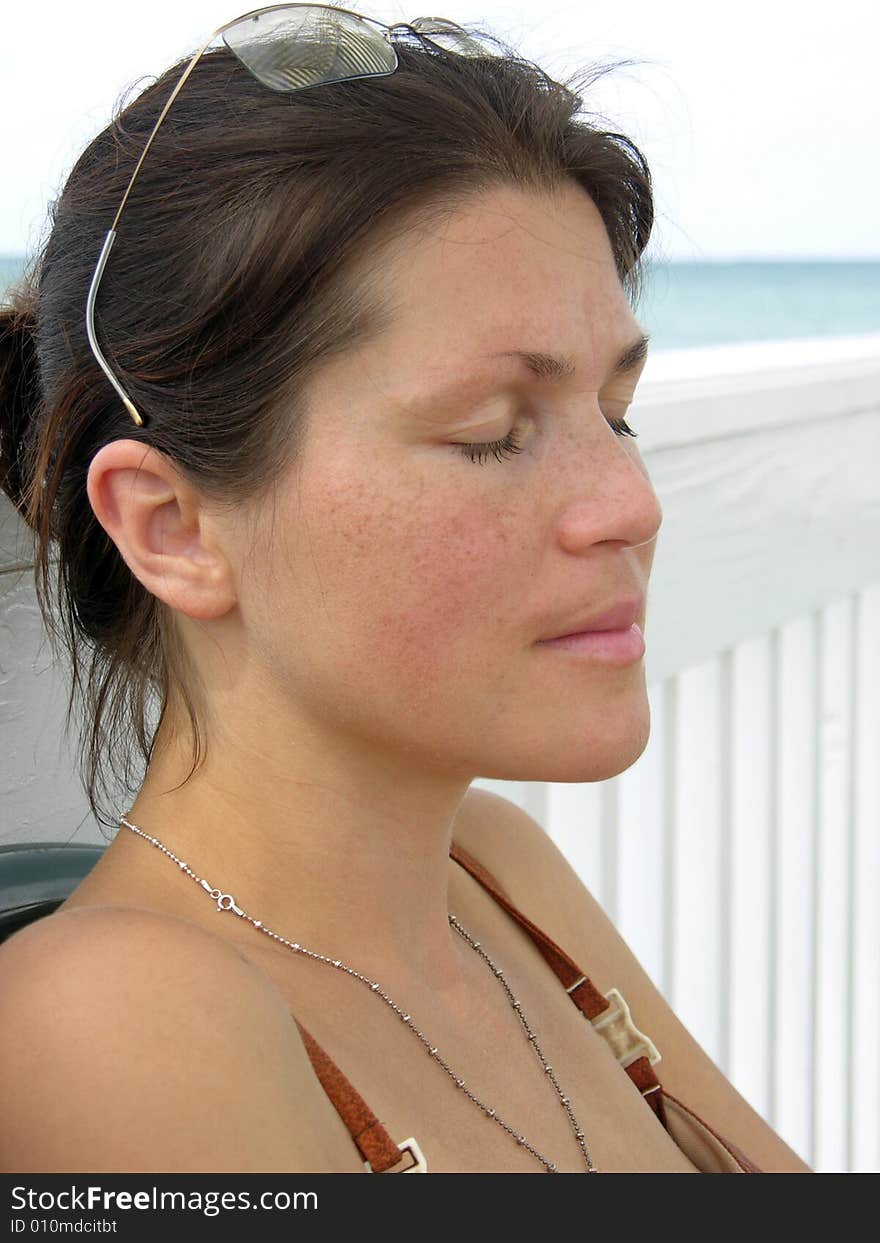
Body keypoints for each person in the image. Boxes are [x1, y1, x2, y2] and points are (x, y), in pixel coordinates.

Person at [0, 6, 810, 1174]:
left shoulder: (491, 875)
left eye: (613, 414)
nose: (629, 506)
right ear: (172, 528)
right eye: (491, 433)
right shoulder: (107, 1020)